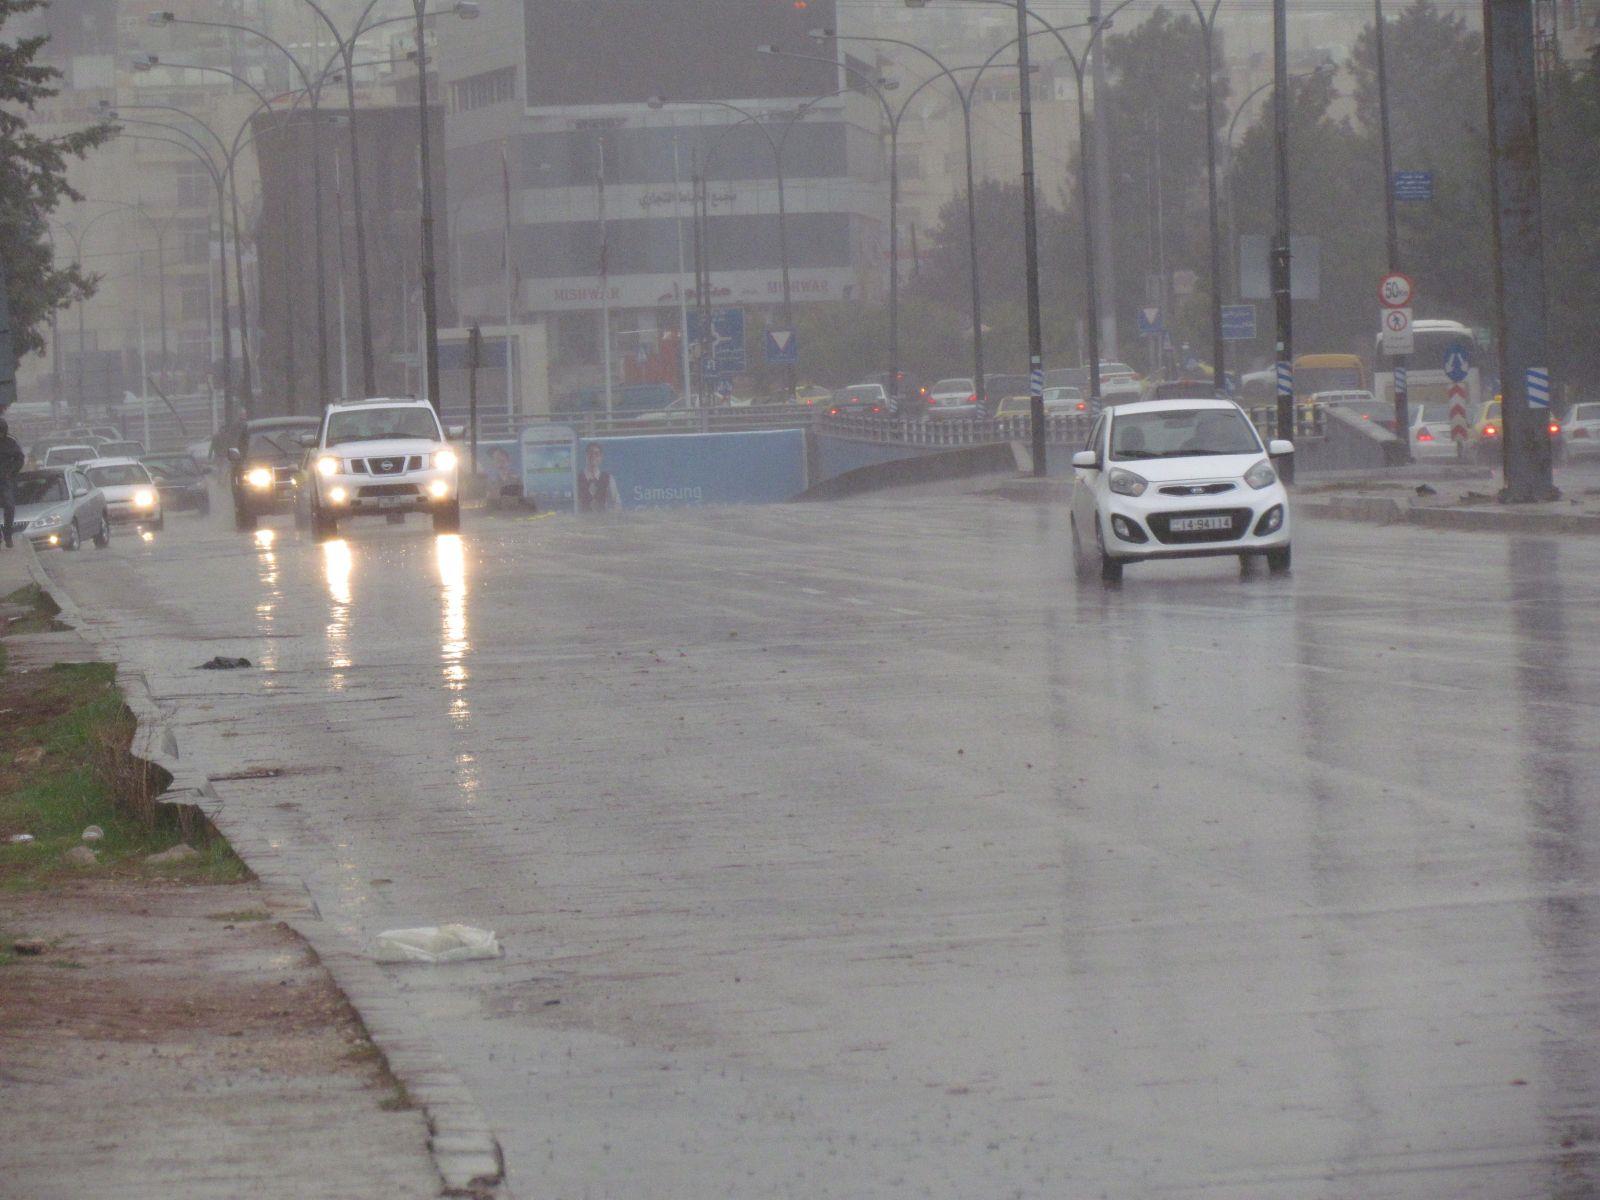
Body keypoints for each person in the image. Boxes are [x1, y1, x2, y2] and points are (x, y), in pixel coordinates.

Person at [0, 418, 24, 548]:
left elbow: (20, 458)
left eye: (1, 432)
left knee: (9, 506)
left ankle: (8, 534)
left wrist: (12, 471)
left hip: (6, 479)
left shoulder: (11, 442)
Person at [576, 442, 620, 513]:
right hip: (582, 518)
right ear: (586, 455)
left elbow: (616, 503)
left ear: (601, 457)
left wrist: (610, 515)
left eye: (596, 454)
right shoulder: (577, 479)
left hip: (602, 518)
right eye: (590, 453)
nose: (593, 456)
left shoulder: (608, 478)